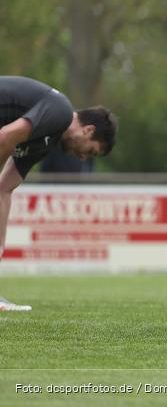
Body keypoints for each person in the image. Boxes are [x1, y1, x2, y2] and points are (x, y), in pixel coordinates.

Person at [0, 76, 117, 311]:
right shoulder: (60, 112)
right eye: (90, 151)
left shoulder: (46, 140)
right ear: (88, 130)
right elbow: (4, 137)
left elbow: (4, 188)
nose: (83, 158)